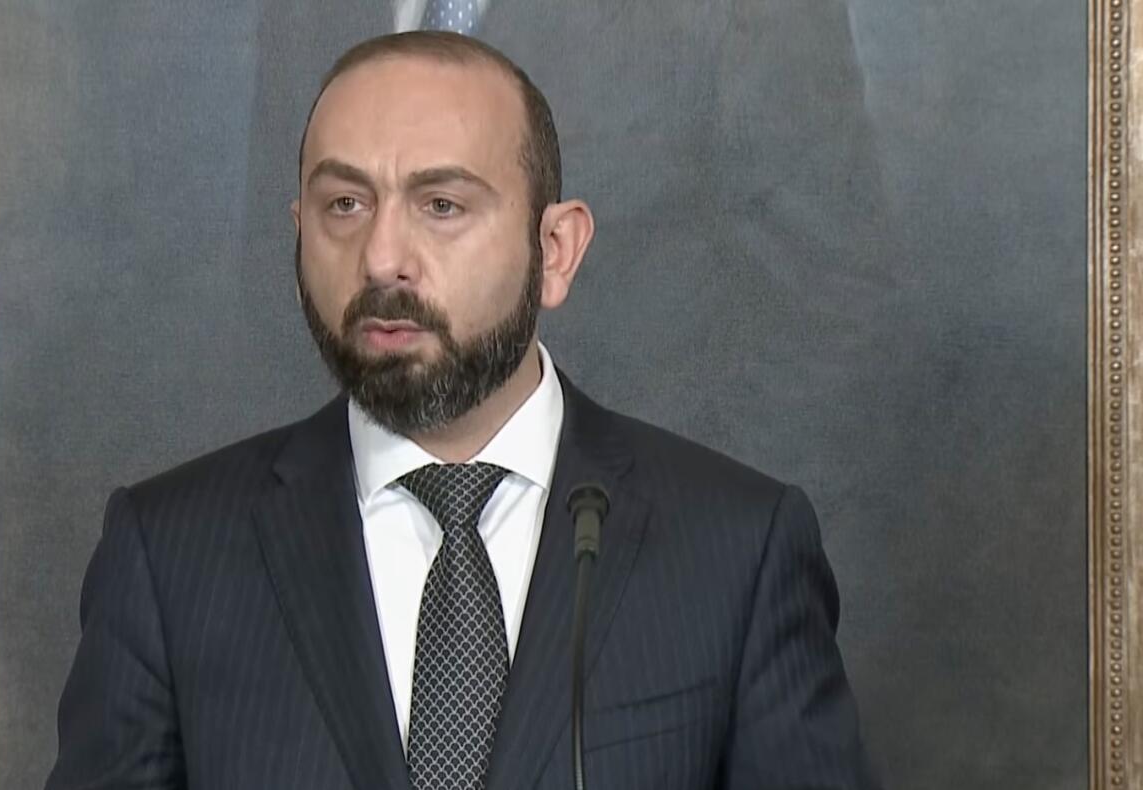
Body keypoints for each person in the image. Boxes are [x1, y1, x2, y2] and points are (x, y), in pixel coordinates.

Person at [47, 31, 879, 790]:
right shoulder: (168, 555)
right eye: (345, 205)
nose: (381, 257)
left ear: (555, 251)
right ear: (298, 233)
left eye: (441, 205)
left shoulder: (739, 550)